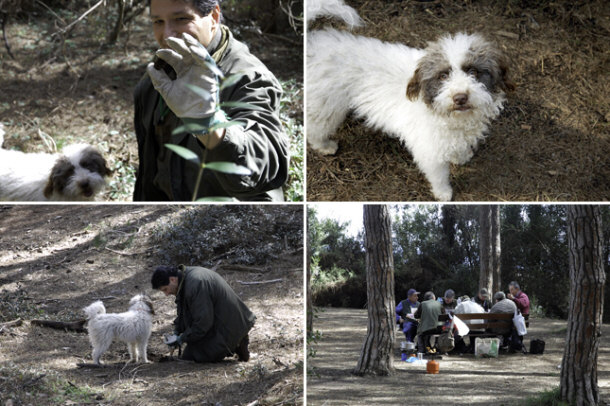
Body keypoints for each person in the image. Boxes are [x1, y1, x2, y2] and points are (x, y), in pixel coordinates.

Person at [134, 0, 290, 201]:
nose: (167, 34)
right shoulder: (156, 78)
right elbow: (150, 174)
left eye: (181, 19)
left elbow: (266, 166)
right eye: (158, 21)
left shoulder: (247, 76)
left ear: (214, 17)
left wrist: (209, 122)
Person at [151, 265, 256, 362]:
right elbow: (184, 313)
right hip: (222, 321)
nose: (166, 294)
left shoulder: (196, 284)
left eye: (165, 289)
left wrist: (181, 339)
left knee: (194, 356)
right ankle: (234, 341)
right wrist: (176, 332)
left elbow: (203, 322)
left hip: (231, 325)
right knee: (189, 353)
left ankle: (237, 343)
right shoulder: (184, 279)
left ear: (172, 279)